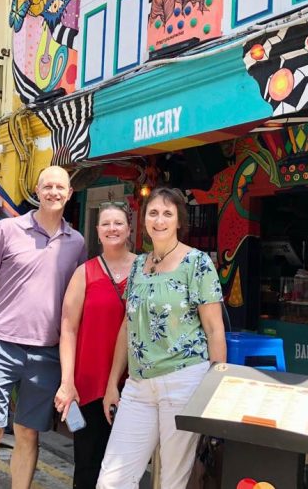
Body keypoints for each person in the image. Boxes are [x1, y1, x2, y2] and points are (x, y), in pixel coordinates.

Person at [0, 166, 86, 489]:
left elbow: (76, 305)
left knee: (28, 433)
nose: (54, 192)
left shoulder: (77, 242)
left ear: (69, 194)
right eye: (47, 186)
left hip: (46, 352)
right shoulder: (8, 229)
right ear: (37, 191)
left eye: (60, 187)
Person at [97, 187, 226, 489]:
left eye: (168, 214)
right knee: (111, 480)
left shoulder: (197, 263)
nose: (159, 220)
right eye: (153, 213)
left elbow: (214, 329)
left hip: (184, 381)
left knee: (172, 481)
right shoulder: (138, 265)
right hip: (138, 385)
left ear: (179, 221)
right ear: (143, 220)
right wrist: (113, 383)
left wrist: (215, 389)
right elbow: (128, 326)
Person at [54, 202, 137, 488]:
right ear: (98, 231)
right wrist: (67, 381)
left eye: (118, 223)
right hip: (89, 383)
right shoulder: (84, 273)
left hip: (134, 382)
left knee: (126, 466)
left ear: (129, 229)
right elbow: (68, 328)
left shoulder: (146, 269)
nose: (112, 229)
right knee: (88, 464)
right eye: (106, 224)